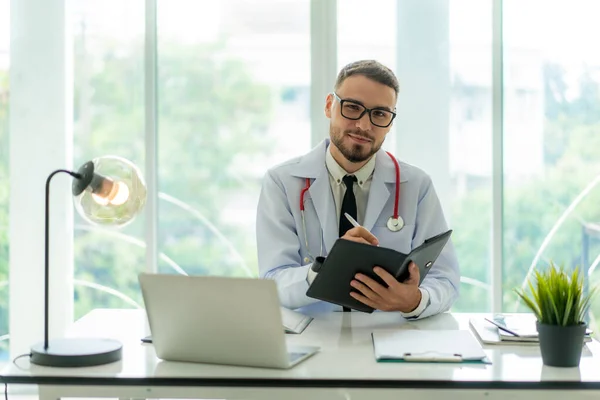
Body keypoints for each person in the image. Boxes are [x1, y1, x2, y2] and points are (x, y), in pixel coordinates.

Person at [256, 60, 459, 319]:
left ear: (390, 121)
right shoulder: (282, 182)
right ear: (330, 106)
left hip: (389, 337)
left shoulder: (416, 186)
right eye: (352, 108)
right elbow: (272, 283)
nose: (364, 126)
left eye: (380, 114)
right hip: (314, 335)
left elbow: (446, 278)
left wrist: (415, 300)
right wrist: (327, 267)